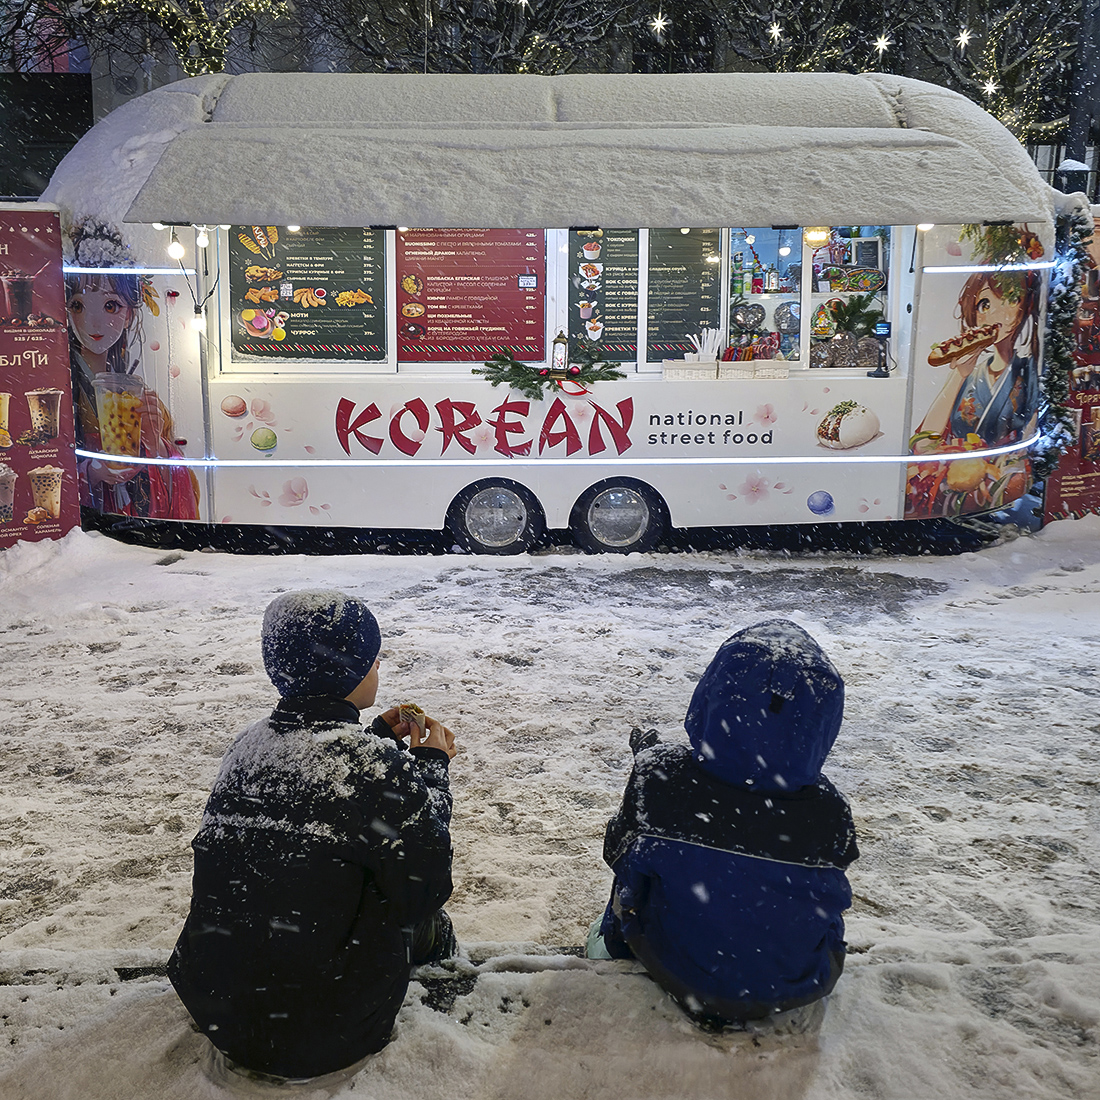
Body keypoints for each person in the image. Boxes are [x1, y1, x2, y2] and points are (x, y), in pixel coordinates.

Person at [168, 590, 457, 1083]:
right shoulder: (375, 770)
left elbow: (314, 794)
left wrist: (376, 740)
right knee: (430, 920)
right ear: (347, 671)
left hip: (220, 1009)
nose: (378, 665)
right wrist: (429, 769)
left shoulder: (249, 747)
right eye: (370, 658)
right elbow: (425, 885)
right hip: (326, 1031)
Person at [588, 620, 858, 1029]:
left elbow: (619, 857)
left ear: (708, 699)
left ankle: (608, 951)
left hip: (677, 969)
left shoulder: (658, 778)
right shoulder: (830, 809)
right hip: (800, 981)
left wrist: (650, 769)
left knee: (634, 874)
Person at [66, 267, 200, 519]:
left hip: (135, 523)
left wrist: (156, 446)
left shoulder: (134, 392)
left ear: (129, 315)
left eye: (110, 306)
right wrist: (90, 473)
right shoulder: (63, 392)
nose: (94, 322)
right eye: (78, 306)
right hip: (93, 531)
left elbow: (178, 483)